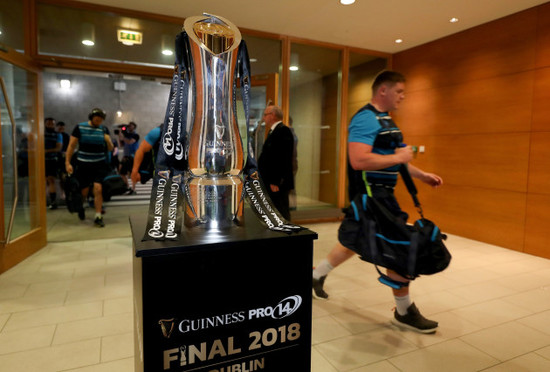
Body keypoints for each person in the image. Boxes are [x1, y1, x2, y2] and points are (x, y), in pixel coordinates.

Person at [312, 71, 443, 334]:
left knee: (352, 242)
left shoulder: (385, 120)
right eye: (400, 92)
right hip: (371, 198)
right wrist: (399, 157)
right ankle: (404, 311)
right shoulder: (366, 119)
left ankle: (314, 276)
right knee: (398, 251)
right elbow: (358, 160)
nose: (403, 97)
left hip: (382, 196)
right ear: (383, 90)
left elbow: (395, 158)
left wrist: (421, 175)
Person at [65, 108, 113, 227]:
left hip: (99, 164)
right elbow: (71, 146)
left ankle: (98, 216)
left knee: (98, 189)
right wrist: (67, 162)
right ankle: (80, 207)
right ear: (91, 117)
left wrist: (108, 141)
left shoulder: (104, 129)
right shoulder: (80, 128)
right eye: (97, 118)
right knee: (84, 192)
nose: (99, 120)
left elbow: (110, 149)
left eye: (101, 119)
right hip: (83, 164)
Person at [258, 105, 295, 220]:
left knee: (281, 209)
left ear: (273, 115)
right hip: (271, 181)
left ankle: (285, 234)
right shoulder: (273, 131)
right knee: (273, 210)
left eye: (265, 115)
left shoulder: (283, 131)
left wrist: (275, 181)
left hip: (277, 182)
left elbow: (282, 158)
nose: (263, 118)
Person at [44, 117, 63, 209]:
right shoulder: (41, 134)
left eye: (52, 124)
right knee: (44, 181)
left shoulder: (57, 135)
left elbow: (58, 148)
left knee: (51, 180)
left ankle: (53, 201)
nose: (50, 125)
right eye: (48, 123)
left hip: (52, 160)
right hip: (41, 161)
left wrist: (46, 151)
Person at [118, 121, 140, 194]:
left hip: (133, 156)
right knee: (121, 171)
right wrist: (119, 135)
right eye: (128, 126)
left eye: (131, 126)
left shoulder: (136, 135)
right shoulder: (126, 136)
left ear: (134, 127)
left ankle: (133, 189)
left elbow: (130, 142)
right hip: (126, 156)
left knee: (132, 172)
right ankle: (128, 187)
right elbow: (121, 145)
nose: (129, 127)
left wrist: (123, 137)